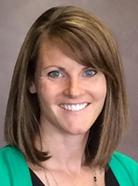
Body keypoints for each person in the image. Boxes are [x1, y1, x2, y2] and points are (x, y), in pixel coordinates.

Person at [0, 5, 138, 186]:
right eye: (55, 74)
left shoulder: (132, 174)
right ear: (30, 81)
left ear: (108, 82)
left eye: (89, 72)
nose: (74, 90)